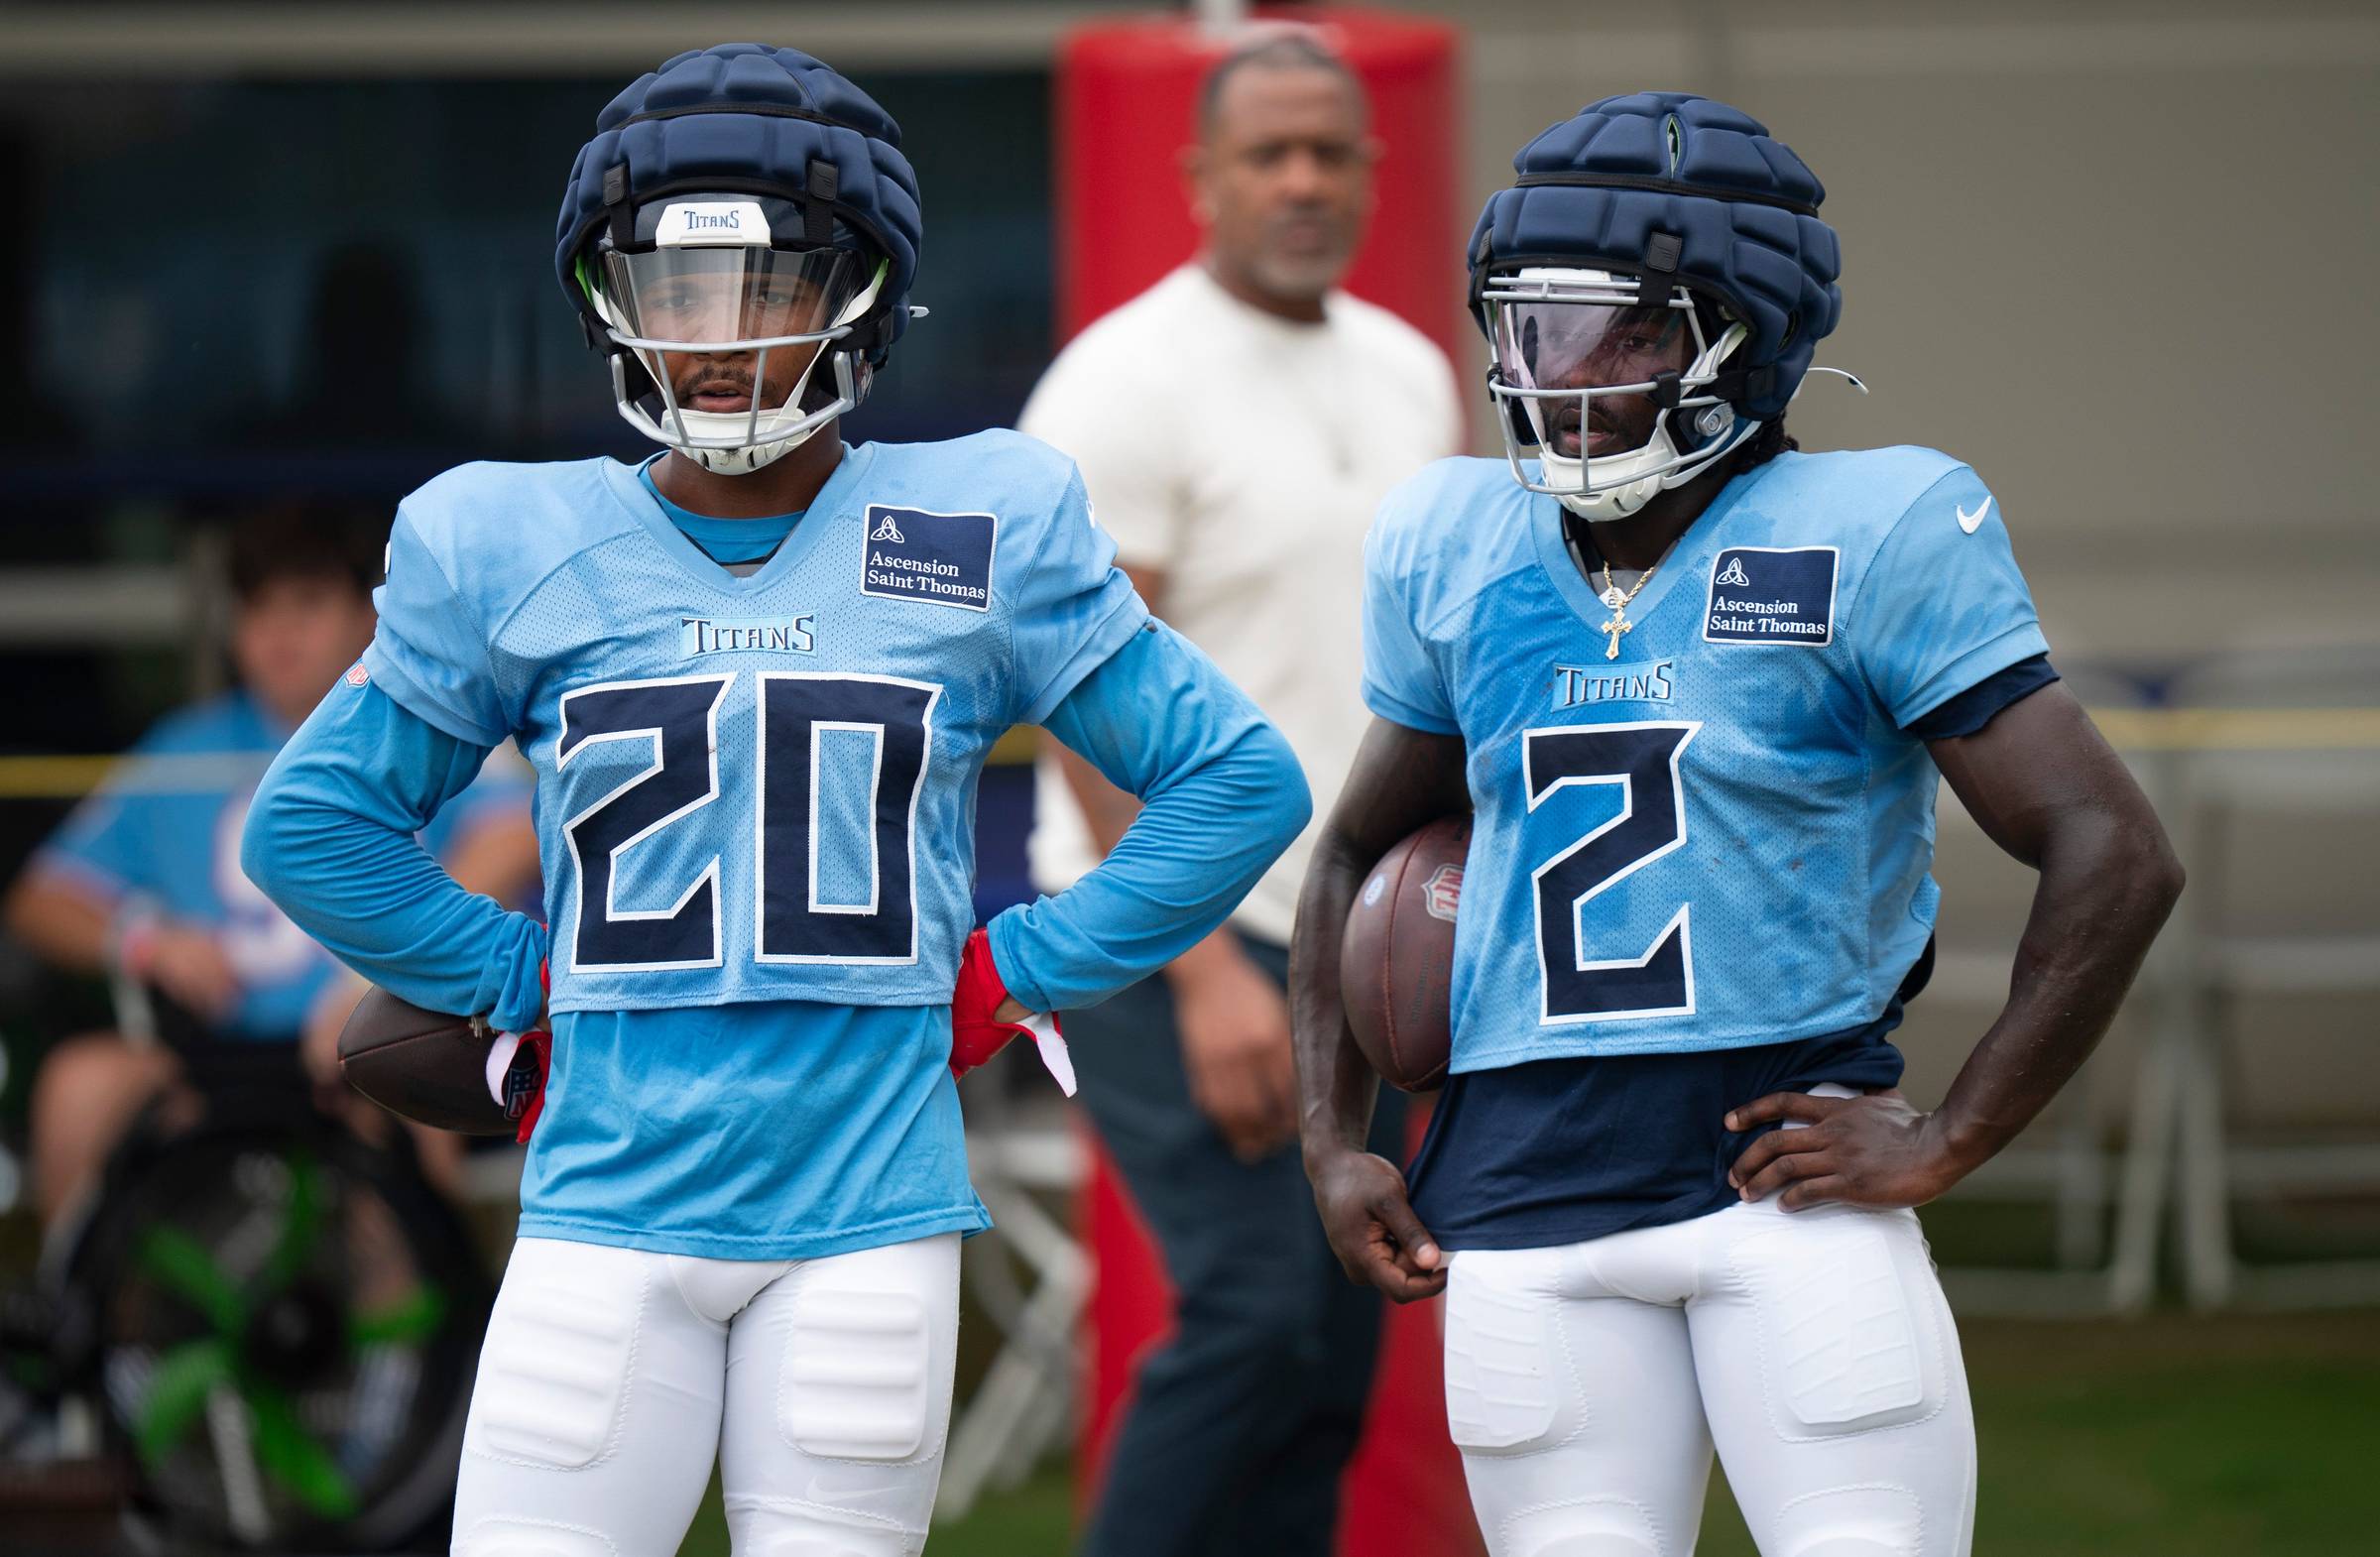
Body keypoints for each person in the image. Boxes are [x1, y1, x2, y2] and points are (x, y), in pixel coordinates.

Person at [240, 44, 1309, 1557]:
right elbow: (314, 825)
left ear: (863, 290)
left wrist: (1020, 969)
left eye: (770, 285)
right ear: (611, 297)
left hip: (864, 1226)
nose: (721, 335)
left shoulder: (978, 523)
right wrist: (514, 981)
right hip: (604, 1216)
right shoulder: (508, 539)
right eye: (676, 291)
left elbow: (1238, 779)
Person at [1290, 93, 2185, 1557]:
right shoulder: (1457, 541)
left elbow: (2115, 848)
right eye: (1529, 329)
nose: (1558, 375)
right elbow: (1344, 855)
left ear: (1744, 334)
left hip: (1787, 1190)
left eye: (1621, 334)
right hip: (1517, 1205)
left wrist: (1955, 1133)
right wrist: (1335, 1140)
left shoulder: (1874, 527)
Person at [1017, 30, 1460, 1557]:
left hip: (1369, 935)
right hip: (1172, 932)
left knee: (1334, 1340)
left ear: (1371, 172)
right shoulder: (1124, 380)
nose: (1301, 180)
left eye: (1330, 151)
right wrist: (1198, 968)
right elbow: (1080, 697)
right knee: (1257, 1311)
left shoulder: (1409, 370)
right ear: (1197, 177)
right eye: (1267, 152)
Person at [3, 506, 536, 1224]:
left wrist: (378, 975)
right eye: (257, 608)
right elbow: (39, 899)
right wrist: (142, 938)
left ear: (368, 615)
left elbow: (512, 837)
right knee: (78, 1085)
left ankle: (411, 1335)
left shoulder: (425, 722)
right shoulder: (183, 746)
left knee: (414, 1089)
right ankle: (97, 1333)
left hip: (376, 1037)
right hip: (209, 1049)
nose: (278, 634)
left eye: (308, 605)